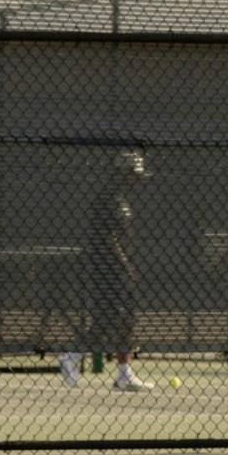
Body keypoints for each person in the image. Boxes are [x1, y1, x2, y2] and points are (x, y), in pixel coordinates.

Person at [59, 148, 153, 392]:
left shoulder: (120, 199)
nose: (136, 179)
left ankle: (123, 373)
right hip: (107, 269)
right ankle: (72, 357)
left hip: (115, 268)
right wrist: (124, 265)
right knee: (107, 318)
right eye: (132, 174)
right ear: (122, 173)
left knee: (125, 318)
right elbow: (106, 238)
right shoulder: (108, 199)